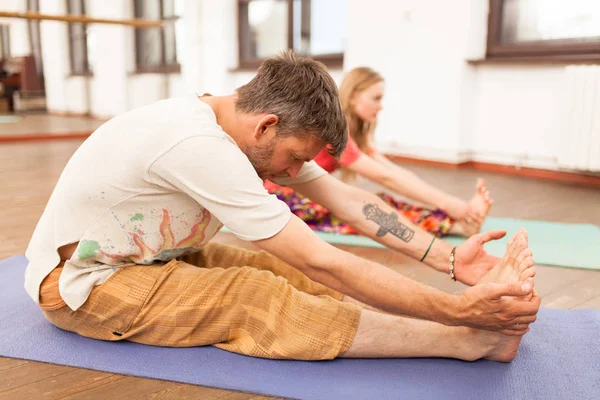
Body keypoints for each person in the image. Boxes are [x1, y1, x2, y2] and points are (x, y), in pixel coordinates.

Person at [25, 52, 540, 362]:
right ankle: (469, 340)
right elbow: (320, 256)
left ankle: (458, 328)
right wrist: (456, 309)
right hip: (84, 285)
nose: (296, 175)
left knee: (273, 270)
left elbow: (352, 202)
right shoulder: (195, 143)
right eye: (296, 158)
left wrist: (449, 261)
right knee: (255, 295)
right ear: (267, 125)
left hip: (153, 256)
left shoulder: (247, 130)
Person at [267, 66, 491, 238]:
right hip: (281, 200)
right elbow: (385, 178)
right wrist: (451, 204)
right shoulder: (333, 131)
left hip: (302, 193)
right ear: (353, 96)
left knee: (378, 203)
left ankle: (457, 223)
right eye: (376, 98)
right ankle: (457, 224)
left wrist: (450, 203)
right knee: (370, 209)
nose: (381, 106)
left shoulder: (351, 132)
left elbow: (393, 172)